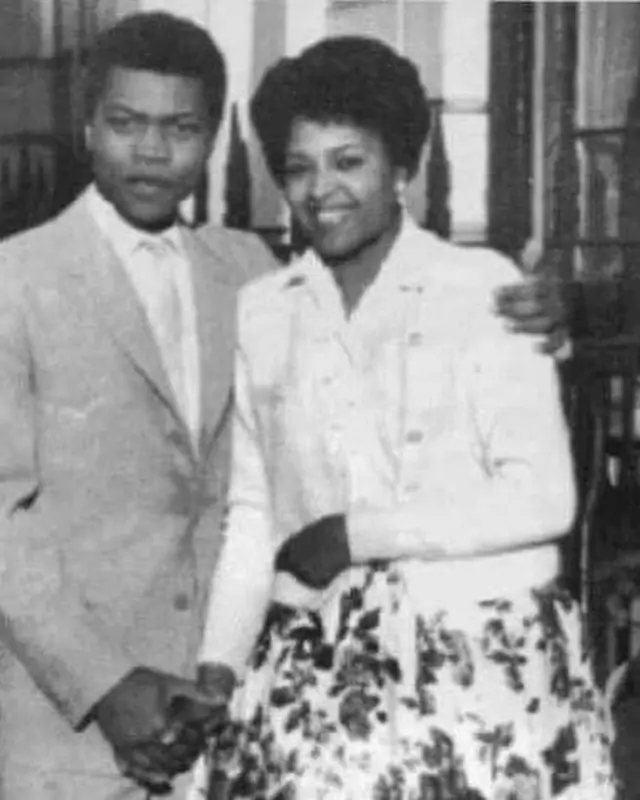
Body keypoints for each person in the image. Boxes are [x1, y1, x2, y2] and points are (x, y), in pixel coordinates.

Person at [192, 36, 615, 799]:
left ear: (402, 169)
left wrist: (353, 536)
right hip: (323, 666)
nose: (321, 190)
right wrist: (219, 665)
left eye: (348, 161)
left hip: (481, 666)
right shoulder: (263, 312)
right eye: (298, 167)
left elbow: (545, 498)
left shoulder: (481, 289)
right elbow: (254, 515)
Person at [0, 12, 279, 800]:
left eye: (180, 128)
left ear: (212, 138)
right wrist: (105, 684)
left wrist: (534, 321)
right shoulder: (16, 279)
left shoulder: (250, 269)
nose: (151, 151)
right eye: (126, 123)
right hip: (70, 736)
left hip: (228, 722)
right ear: (89, 127)